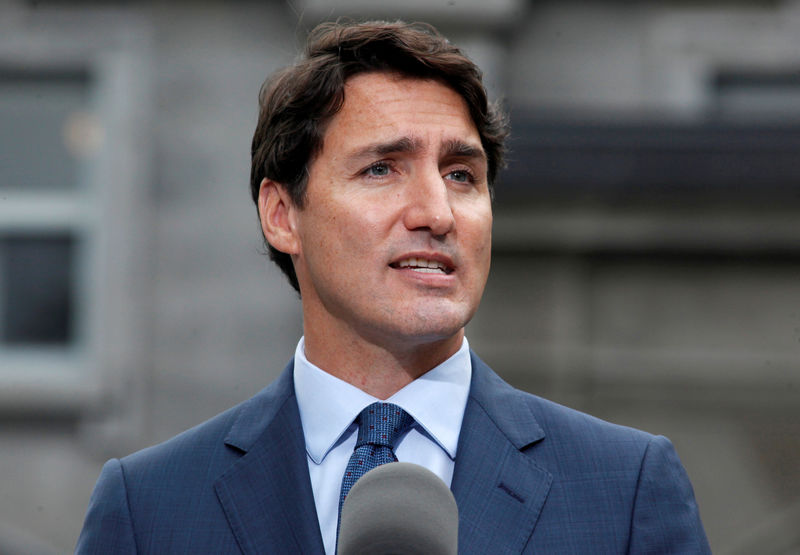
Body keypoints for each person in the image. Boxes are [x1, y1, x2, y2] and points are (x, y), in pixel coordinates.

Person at [76, 20, 710, 554]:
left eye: (462, 175)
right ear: (282, 214)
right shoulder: (149, 508)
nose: (436, 212)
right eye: (382, 168)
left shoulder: (625, 491)